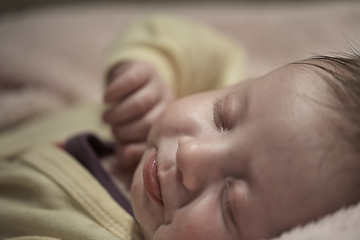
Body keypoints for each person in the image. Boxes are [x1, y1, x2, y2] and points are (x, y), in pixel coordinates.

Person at [0, 15, 359, 240]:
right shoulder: (242, 98)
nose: (191, 153)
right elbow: (199, 46)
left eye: (228, 202)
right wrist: (147, 73)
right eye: (223, 117)